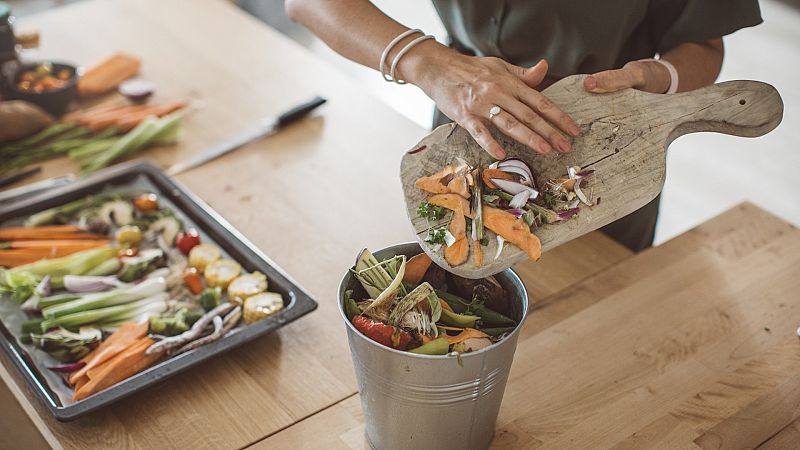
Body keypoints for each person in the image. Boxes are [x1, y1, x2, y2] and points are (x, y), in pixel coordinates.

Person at [286, 0, 762, 251]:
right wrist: (430, 64)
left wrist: (657, 79)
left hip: (607, 147)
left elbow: (703, 42)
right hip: (467, 132)